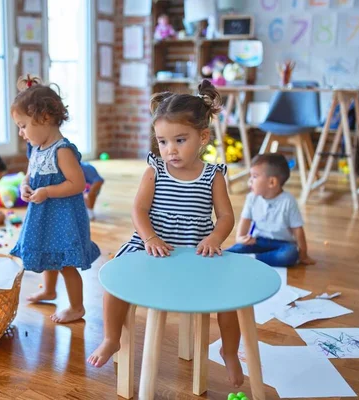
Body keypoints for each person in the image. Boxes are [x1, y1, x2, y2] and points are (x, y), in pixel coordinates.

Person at [87, 80, 244, 387]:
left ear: (203, 137)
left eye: (180, 140)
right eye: (162, 142)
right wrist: (149, 238)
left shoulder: (213, 176)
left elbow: (226, 217)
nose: (170, 150)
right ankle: (111, 337)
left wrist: (214, 239)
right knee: (111, 277)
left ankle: (229, 350)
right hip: (152, 244)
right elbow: (138, 211)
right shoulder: (155, 170)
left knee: (231, 296)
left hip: (196, 249)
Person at [10, 75, 100, 324]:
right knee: (47, 251)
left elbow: (78, 184)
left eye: (23, 125)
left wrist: (47, 191)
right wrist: (25, 185)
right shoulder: (36, 148)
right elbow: (30, 173)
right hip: (43, 215)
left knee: (65, 263)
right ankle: (49, 290)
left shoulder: (62, 150)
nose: (21, 133)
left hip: (64, 218)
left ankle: (76, 306)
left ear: (45, 118)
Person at [225, 153, 315, 267]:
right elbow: (245, 220)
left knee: (289, 254)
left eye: (255, 176)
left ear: (272, 182)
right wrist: (240, 238)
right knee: (230, 251)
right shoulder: (252, 197)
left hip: (282, 244)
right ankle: (250, 258)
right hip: (256, 241)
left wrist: (303, 255)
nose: (250, 181)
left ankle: (252, 259)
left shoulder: (288, 201)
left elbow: (298, 230)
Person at [26, 143, 105, 220]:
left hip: (91, 187)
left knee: (87, 197)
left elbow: (99, 181)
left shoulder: (87, 168)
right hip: (79, 189)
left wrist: (90, 193)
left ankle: (90, 210)